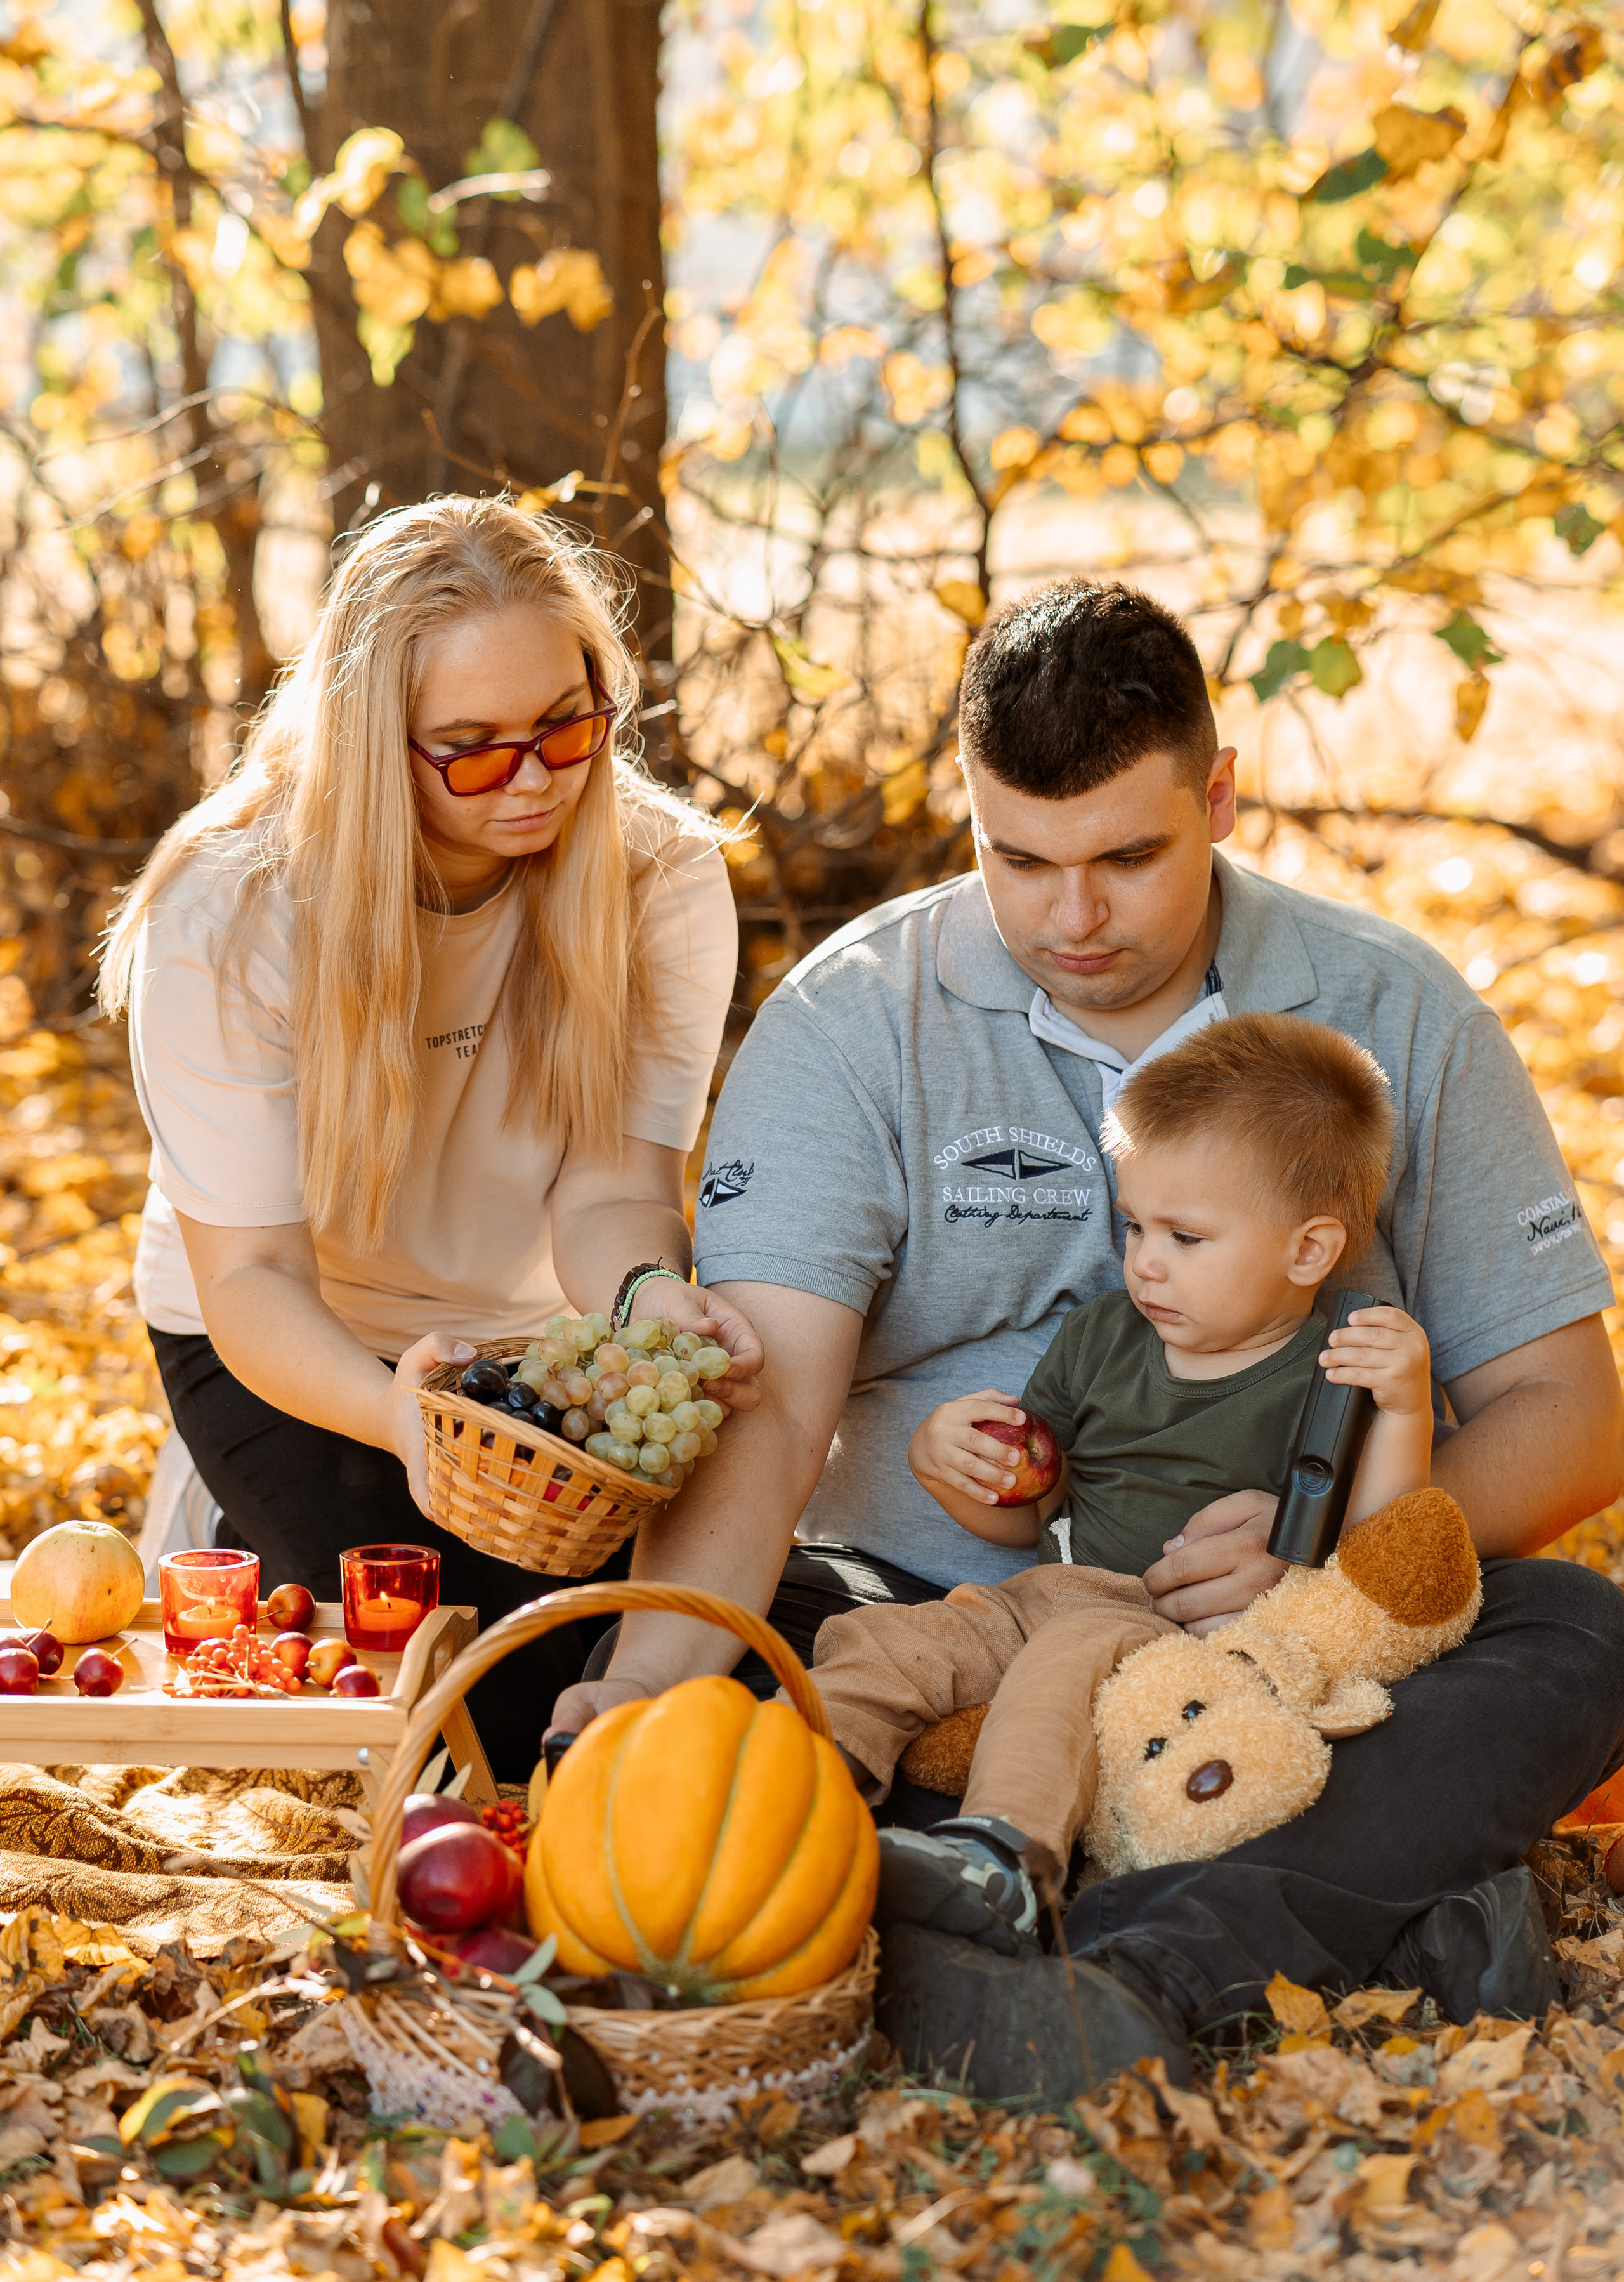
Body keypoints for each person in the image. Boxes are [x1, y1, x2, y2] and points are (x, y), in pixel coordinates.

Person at [555, 575, 1624, 2064]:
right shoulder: (853, 1020)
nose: (1072, 917)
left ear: (1223, 799)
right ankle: (1381, 1901)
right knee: (754, 1668)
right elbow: (774, 1407)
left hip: (1285, 1645)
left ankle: (1116, 1962)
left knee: (1574, 1633)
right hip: (931, 1606)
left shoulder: (1396, 1016)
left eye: (1128, 856)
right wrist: (640, 1692)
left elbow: (1572, 1412)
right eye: (1018, 859)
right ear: (968, 810)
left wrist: (1327, 1552)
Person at [99, 497, 761, 1780]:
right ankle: (237, 1494)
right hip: (301, 1345)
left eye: (567, 731)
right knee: (486, 1707)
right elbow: (253, 1279)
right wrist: (400, 1423)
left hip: (529, 1346)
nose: (532, 783)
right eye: (469, 749)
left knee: (662, 1670)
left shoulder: (658, 874)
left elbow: (614, 1188)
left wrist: (645, 1297)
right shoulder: (230, 911)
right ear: (368, 745)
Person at [810, 1010, 1436, 1950]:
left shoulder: (1335, 1368)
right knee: (880, 1641)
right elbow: (1032, 1515)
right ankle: (786, 1784)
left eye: (1186, 1237)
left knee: (1065, 1664)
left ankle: (1006, 1858)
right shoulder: (1105, 1336)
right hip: (1038, 1591)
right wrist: (948, 1465)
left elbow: (1378, 1550)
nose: (1145, 1261)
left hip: (1166, 1631)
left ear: (1307, 1250)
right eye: (1134, 1223)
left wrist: (1408, 1407)